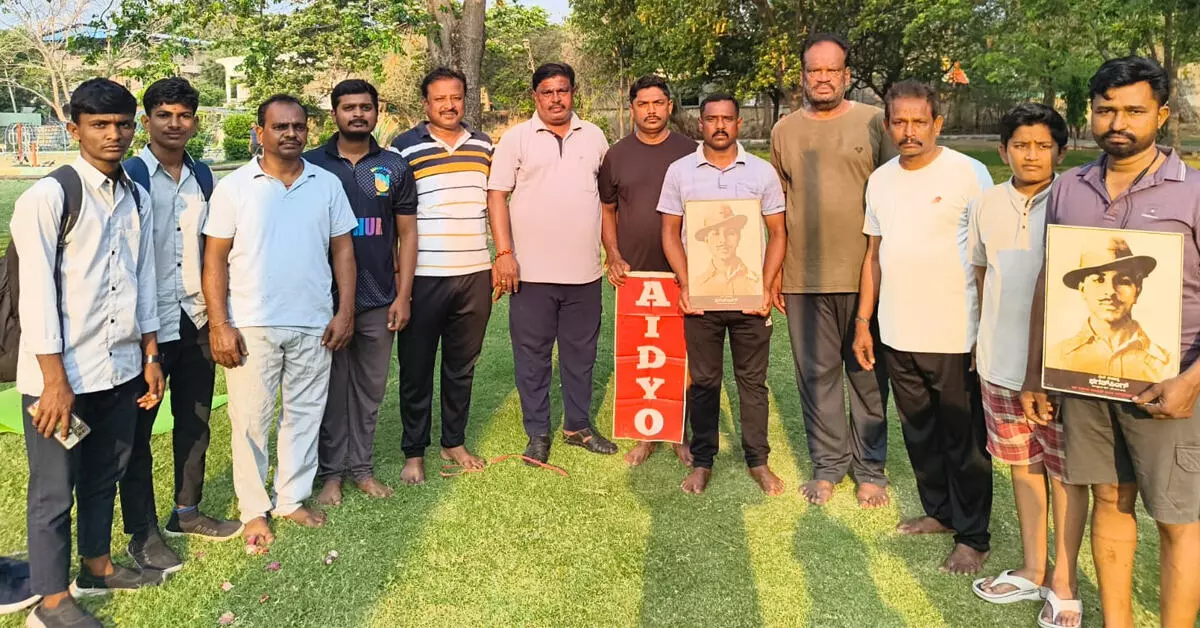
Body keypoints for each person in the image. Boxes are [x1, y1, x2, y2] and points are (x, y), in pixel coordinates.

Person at [1021, 56, 1200, 628]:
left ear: (1161, 115)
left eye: (1134, 110)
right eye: (1106, 110)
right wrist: (1037, 370)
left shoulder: (1193, 192)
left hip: (1169, 385)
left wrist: (1192, 380)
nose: (1118, 122)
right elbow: (1049, 278)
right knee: (1108, 500)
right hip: (1085, 380)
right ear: (1091, 112)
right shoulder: (1069, 187)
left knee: (1176, 519)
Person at [11, 77, 164, 628]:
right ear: (74, 129)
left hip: (120, 369)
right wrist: (54, 383)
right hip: (62, 377)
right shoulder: (49, 197)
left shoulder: (136, 196)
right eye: (99, 124)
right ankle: (52, 602)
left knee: (105, 474)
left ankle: (96, 567)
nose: (113, 134)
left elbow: (144, 282)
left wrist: (151, 356)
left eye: (122, 124)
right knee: (55, 491)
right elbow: (36, 298)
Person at [202, 94, 358, 548]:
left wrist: (344, 311)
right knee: (251, 420)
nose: (291, 133)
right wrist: (219, 324)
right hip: (251, 323)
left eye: (298, 126)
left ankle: (290, 498)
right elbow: (214, 259)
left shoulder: (326, 183)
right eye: (280, 126)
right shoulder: (235, 187)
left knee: (304, 415)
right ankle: (254, 510)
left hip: (314, 320)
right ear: (260, 131)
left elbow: (343, 252)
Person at [852, 79, 995, 575]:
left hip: (955, 333)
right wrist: (864, 322)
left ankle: (973, 536)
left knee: (963, 440)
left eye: (919, 121)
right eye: (899, 122)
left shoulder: (969, 174)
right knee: (919, 432)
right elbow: (873, 255)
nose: (908, 131)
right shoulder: (880, 180)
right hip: (897, 331)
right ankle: (940, 512)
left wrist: (985, 330)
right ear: (887, 125)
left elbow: (987, 259)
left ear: (937, 123)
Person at [968, 103, 1088, 628]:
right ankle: (1034, 567)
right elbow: (981, 274)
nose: (1031, 155)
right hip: (1000, 363)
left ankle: (1065, 581)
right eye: (1021, 145)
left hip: (1059, 369)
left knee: (1064, 474)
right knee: (1024, 466)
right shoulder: (986, 203)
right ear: (1003, 151)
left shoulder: (1077, 203)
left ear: (1061, 152)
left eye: (1043, 146)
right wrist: (984, 345)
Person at [118, 77, 243, 578]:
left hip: (194, 318)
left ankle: (186, 511)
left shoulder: (203, 176)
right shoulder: (129, 174)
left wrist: (219, 316)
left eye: (184, 115)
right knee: (137, 432)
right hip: (142, 325)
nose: (175, 124)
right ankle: (142, 532)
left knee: (195, 421)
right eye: (164, 115)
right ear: (146, 120)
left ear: (194, 120)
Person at [769, 32, 894, 509]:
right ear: (803, 76)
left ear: (847, 75)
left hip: (866, 275)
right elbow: (779, 208)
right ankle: (827, 466)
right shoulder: (784, 131)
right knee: (816, 377)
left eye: (831, 70)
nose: (822, 78)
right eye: (814, 70)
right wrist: (775, 273)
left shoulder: (874, 123)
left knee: (868, 376)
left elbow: (894, 193)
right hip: (804, 277)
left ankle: (870, 470)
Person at [487, 62, 618, 463]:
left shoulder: (594, 136)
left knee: (581, 355)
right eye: (547, 92)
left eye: (563, 90)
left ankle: (577, 426)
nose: (556, 99)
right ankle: (537, 433)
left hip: (584, 272)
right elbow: (497, 196)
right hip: (531, 273)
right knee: (533, 357)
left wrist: (612, 252)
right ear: (535, 96)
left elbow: (607, 201)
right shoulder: (517, 139)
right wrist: (504, 254)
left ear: (573, 93)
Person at [659, 93, 788, 496]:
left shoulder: (762, 172)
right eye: (712, 119)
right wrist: (686, 283)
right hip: (701, 300)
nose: (719, 126)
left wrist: (766, 285)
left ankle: (758, 461)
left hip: (750, 299)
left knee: (753, 383)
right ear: (700, 124)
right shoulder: (680, 171)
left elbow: (778, 233)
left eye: (727, 119)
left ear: (739, 123)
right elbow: (669, 233)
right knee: (704, 382)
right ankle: (703, 461)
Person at [305, 79, 418, 505]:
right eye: (348, 107)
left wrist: (403, 296)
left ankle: (362, 470)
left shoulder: (393, 166)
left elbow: (407, 234)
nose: (357, 114)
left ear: (376, 111)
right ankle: (331, 475)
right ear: (334, 112)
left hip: (378, 299)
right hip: (323, 301)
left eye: (365, 107)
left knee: (369, 392)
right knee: (331, 392)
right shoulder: (311, 164)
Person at [391, 68, 495, 484]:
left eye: (456, 97)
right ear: (426, 104)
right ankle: (414, 452)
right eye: (440, 99)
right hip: (424, 276)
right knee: (416, 368)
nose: (449, 106)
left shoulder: (484, 145)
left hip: (475, 273)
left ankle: (454, 441)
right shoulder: (403, 147)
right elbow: (395, 213)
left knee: (461, 367)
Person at [598, 74, 696, 466]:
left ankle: (679, 432)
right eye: (643, 104)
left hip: (682, 271)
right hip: (635, 274)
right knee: (643, 354)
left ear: (669, 106)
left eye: (658, 103)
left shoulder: (691, 152)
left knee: (684, 355)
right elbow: (607, 210)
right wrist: (613, 255)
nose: (651, 110)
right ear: (632, 108)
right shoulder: (617, 155)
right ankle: (646, 435)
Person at [1048, 238, 1171, 380]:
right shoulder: (1057, 358)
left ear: (1137, 291)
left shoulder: (1166, 365)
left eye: (1123, 281)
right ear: (1082, 290)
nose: (1110, 291)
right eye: (1098, 280)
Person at [691, 204, 761, 296]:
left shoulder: (757, 283)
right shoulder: (696, 287)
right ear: (706, 240)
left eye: (730, 233)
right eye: (716, 233)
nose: (723, 240)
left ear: (739, 237)